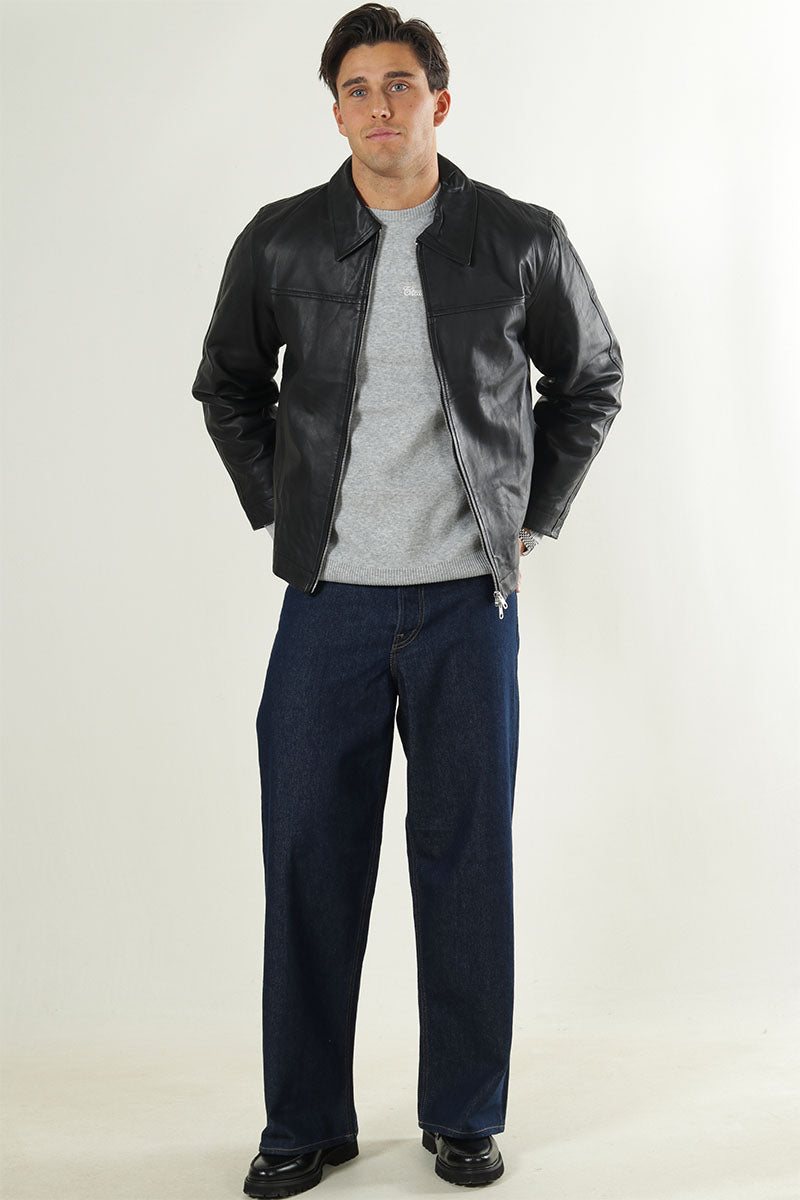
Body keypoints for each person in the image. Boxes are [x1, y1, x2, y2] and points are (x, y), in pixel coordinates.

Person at [191, 4, 623, 1193]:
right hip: (324, 606)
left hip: (464, 608)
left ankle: (463, 1115)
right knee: (307, 861)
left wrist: (526, 516)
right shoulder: (281, 241)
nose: (378, 106)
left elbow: (590, 378)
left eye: (398, 85)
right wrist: (286, 510)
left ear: (439, 100)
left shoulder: (518, 238)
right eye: (356, 88)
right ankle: (304, 1123)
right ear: (333, 110)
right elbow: (227, 385)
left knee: (465, 862)